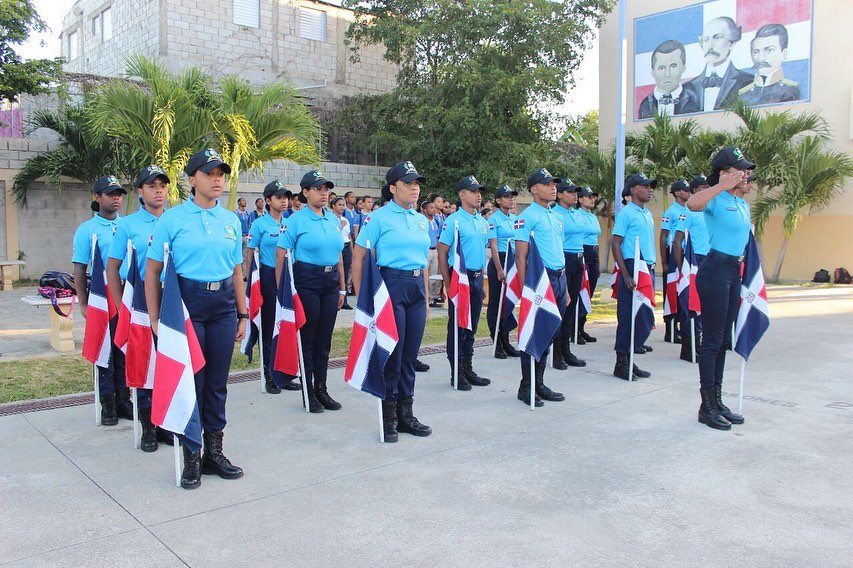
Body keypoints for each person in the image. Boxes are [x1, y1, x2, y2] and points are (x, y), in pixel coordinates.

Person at [146, 148, 246, 490]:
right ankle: (192, 455)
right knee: (192, 381)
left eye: (221, 174)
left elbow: (237, 271)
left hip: (222, 307)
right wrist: (155, 317)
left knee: (217, 382)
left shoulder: (231, 220)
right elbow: (152, 271)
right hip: (185, 306)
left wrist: (243, 312)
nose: (217, 179)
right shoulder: (171, 220)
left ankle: (214, 453)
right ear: (192, 180)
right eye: (210, 173)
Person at [352, 161, 432, 442]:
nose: (414, 188)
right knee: (393, 355)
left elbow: (422, 264)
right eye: (408, 183)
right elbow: (359, 255)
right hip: (390, 287)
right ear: (393, 187)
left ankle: (406, 414)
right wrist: (364, 299)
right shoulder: (379, 218)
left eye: (417, 183)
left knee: (410, 356)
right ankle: (389, 418)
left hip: (416, 291)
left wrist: (426, 296)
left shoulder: (422, 220)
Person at [686, 147, 754, 431]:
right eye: (740, 169)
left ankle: (717, 399)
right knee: (712, 339)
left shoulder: (741, 203)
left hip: (733, 272)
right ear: (725, 172)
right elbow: (692, 204)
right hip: (714, 269)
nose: (746, 174)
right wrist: (720, 186)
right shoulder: (716, 198)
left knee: (724, 339)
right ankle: (707, 406)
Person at [106, 165, 168, 451]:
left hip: (172, 301)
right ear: (140, 191)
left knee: (170, 362)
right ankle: (148, 427)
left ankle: (166, 423)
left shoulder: (174, 221)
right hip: (140, 303)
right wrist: (121, 309)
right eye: (152, 185)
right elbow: (113, 268)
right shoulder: (128, 226)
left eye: (163, 185)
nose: (158, 190)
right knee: (145, 363)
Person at [276, 169, 346, 413]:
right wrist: (281, 291)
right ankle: (308, 391)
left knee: (324, 340)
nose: (324, 193)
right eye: (318, 189)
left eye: (326, 189)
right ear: (305, 193)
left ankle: (322, 388)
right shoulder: (295, 220)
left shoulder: (333, 219)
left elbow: (339, 255)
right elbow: (281, 255)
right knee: (309, 339)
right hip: (307, 280)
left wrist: (342, 288)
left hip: (330, 282)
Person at [72, 175, 129, 426]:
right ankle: (107, 402)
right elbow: (79, 270)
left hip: (127, 294)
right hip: (101, 295)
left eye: (118, 194)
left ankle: (124, 399)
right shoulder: (87, 230)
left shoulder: (126, 225)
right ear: (97, 197)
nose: (116, 198)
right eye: (110, 194)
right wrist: (83, 303)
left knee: (124, 347)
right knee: (104, 348)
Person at [513, 168, 568, 407]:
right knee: (535, 333)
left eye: (554, 184)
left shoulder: (556, 216)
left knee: (550, 333)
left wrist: (564, 288)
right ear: (534, 189)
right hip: (539, 282)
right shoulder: (527, 217)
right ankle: (527, 386)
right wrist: (528, 290)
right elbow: (521, 256)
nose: (553, 187)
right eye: (547, 184)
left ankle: (540, 381)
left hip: (559, 278)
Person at [245, 180, 302, 394]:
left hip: (290, 276)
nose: (284, 200)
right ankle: (269, 374)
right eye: (279, 197)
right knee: (269, 326)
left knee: (286, 323)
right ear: (268, 200)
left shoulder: (290, 222)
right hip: (268, 276)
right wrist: (249, 283)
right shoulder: (259, 224)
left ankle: (285, 373)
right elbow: (250, 252)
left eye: (286, 197)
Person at [437, 175, 493, 390]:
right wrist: (448, 283)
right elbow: (442, 253)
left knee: (472, 327)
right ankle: (456, 371)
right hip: (460, 278)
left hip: (477, 278)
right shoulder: (453, 221)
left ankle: (468, 367)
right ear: (461, 195)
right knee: (458, 326)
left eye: (480, 191)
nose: (478, 195)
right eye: (473, 191)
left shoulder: (481, 221)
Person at [611, 173, 656, 381]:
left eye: (650, 186)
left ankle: (630, 357)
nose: (649, 189)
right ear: (633, 190)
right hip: (632, 266)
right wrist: (626, 274)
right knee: (628, 317)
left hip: (647, 267)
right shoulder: (626, 213)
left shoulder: (646, 213)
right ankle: (621, 362)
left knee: (642, 317)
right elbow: (616, 243)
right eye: (645, 186)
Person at [672, 175, 711, 363]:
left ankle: (702, 343)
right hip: (694, 262)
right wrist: (682, 269)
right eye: (702, 188)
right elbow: (677, 242)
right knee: (691, 305)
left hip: (711, 261)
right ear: (694, 191)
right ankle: (688, 347)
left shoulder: (711, 210)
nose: (706, 190)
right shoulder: (688, 212)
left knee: (706, 307)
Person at [552, 180, 587, 369]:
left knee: (571, 306)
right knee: (562, 307)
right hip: (564, 258)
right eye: (570, 191)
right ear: (559, 194)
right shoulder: (555, 213)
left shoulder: (577, 214)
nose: (574, 194)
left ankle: (565, 349)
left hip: (578, 259)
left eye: (576, 191)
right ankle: (557, 352)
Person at [683, 17, 753, 111]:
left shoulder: (748, 82)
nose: (710, 45)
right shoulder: (687, 88)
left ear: (731, 43)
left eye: (717, 37)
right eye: (706, 39)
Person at [486, 185, 521, 359]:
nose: (511, 199)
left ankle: (506, 340)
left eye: (513, 196)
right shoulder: (494, 219)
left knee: (508, 302)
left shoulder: (515, 218)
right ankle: (497, 341)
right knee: (496, 303)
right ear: (498, 200)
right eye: (507, 197)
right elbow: (493, 244)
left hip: (512, 260)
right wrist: (499, 268)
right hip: (500, 259)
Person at [660, 179, 691, 343]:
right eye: (686, 190)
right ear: (678, 193)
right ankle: (670, 329)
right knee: (671, 291)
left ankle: (680, 326)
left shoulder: (689, 210)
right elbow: (663, 236)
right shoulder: (670, 212)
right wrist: (664, 263)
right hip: (672, 253)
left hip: (685, 253)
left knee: (682, 290)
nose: (689, 192)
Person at [739, 23, 800, 105]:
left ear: (784, 54)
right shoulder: (744, 94)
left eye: (769, 50)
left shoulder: (790, 89)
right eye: (756, 52)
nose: (761, 58)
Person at [638, 40, 701, 118]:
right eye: (661, 68)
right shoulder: (646, 105)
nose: (667, 74)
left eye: (673, 66)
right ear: (652, 72)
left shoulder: (694, 99)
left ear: (683, 68)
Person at [576, 186, 601, 344]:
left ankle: (582, 326)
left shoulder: (593, 216)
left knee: (589, 290)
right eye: (588, 196)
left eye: (593, 197)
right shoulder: (577, 215)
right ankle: (574, 328)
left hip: (594, 253)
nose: (592, 199)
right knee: (580, 290)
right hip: (583, 251)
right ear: (580, 199)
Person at [330, 196, 353, 310]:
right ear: (333, 206)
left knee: (346, 271)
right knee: (338, 271)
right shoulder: (330, 219)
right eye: (339, 205)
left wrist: (352, 251)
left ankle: (345, 300)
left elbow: (349, 236)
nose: (342, 207)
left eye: (343, 205)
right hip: (336, 248)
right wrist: (339, 225)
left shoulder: (346, 220)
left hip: (347, 246)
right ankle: (336, 298)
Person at [422, 198, 443, 308]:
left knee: (434, 274)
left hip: (435, 250)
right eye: (431, 208)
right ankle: (426, 297)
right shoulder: (422, 221)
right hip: (426, 250)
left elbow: (438, 235)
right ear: (424, 210)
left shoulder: (435, 221)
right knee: (426, 274)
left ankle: (433, 297)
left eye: (434, 207)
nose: (433, 210)